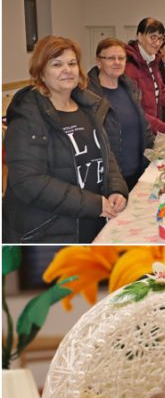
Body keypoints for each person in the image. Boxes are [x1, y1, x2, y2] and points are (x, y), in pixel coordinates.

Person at [3, 36, 128, 243]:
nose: (67, 70)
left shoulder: (88, 108)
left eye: (72, 63)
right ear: (41, 71)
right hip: (49, 231)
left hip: (92, 223)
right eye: (57, 64)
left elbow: (106, 154)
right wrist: (93, 204)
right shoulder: (28, 116)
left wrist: (116, 189)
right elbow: (28, 181)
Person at [87, 37, 154, 188]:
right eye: (111, 58)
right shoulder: (89, 95)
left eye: (121, 58)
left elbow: (143, 126)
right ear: (99, 61)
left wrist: (157, 151)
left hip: (139, 172)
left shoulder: (130, 87)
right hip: (112, 179)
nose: (117, 62)